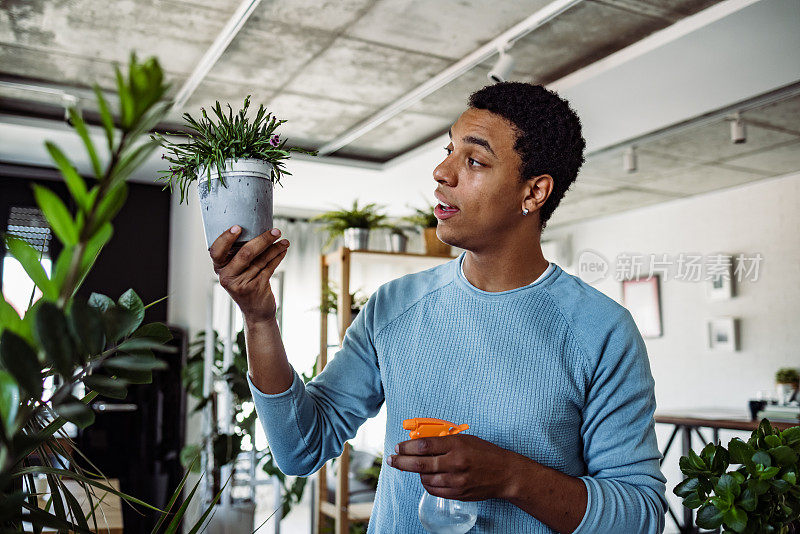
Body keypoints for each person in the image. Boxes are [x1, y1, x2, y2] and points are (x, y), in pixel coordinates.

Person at [209, 82, 668, 533]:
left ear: (534, 193)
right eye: (448, 151)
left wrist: (513, 477)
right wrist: (259, 317)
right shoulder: (394, 305)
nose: (442, 173)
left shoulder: (601, 330)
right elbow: (299, 449)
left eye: (473, 160)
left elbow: (640, 515)